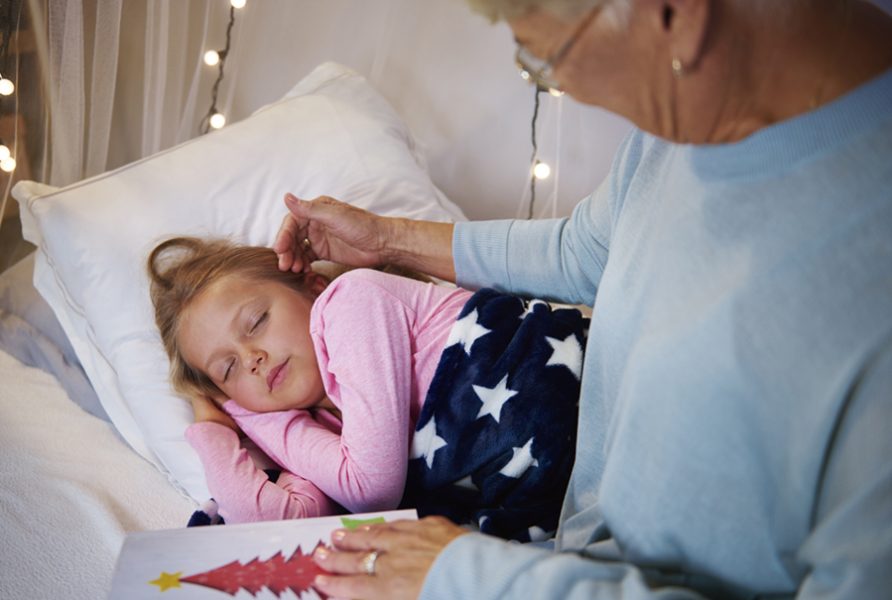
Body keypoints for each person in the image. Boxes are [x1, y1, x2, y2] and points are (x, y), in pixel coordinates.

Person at [271, 0, 892, 598]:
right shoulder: (694, 116)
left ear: (676, 14)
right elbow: (587, 250)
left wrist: (468, 581)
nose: (561, 84)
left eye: (545, 57)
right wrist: (388, 239)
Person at [147, 237, 587, 539]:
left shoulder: (349, 302)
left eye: (256, 322)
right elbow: (270, 522)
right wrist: (221, 423)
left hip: (583, 394)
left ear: (313, 287)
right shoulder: (317, 430)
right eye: (228, 369)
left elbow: (370, 490)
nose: (252, 359)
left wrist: (247, 412)